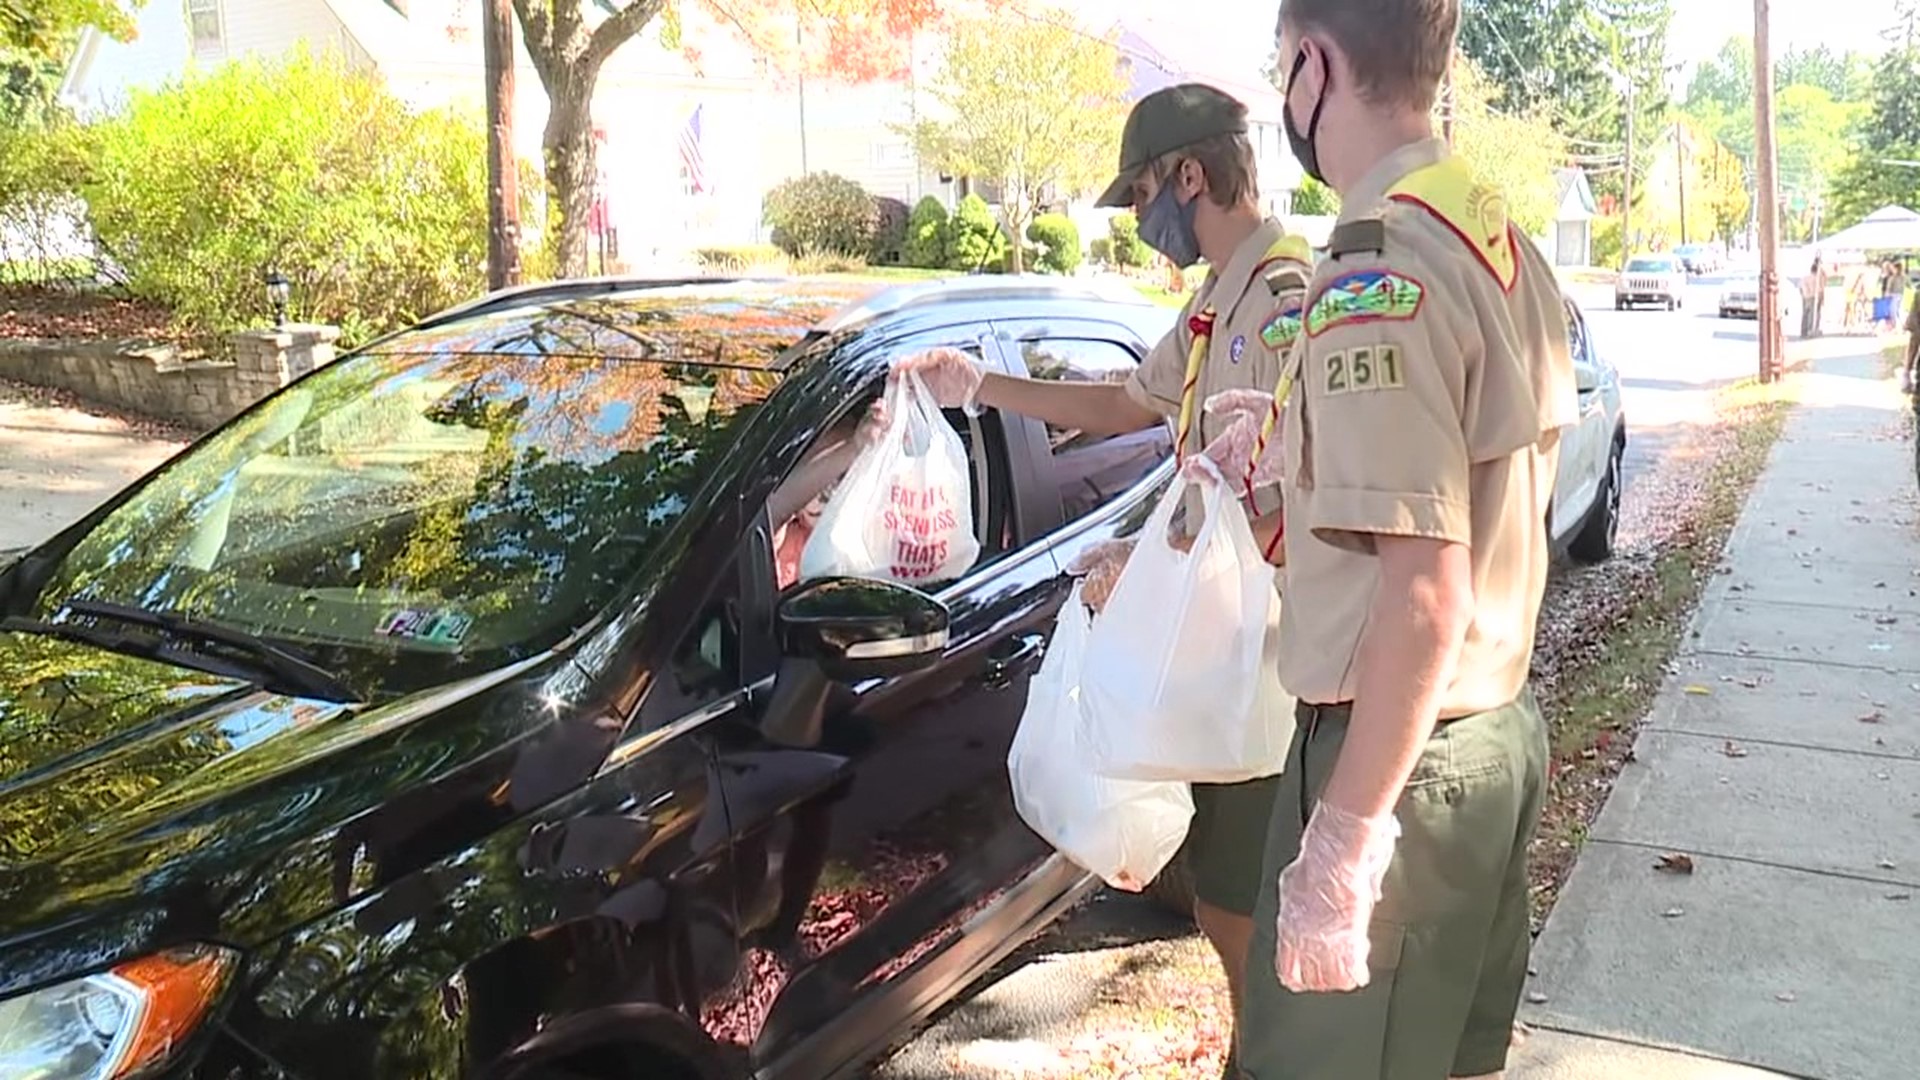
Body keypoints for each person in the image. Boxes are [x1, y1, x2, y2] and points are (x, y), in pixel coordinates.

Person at [891, 82, 1315, 1071]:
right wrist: (978, 387)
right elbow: (1129, 403)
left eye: (1141, 196)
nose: (1139, 220)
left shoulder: (1286, 294)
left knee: (1246, 909)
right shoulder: (1217, 295)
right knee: (1220, 898)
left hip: (1264, 659)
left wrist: (1158, 561)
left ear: (1189, 175)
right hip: (1211, 654)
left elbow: (1292, 490)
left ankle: (1267, 1062)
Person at [1211, 2, 1575, 1076]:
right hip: (1486, 732)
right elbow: (1480, 490)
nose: (1284, 100)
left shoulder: (1378, 269)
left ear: (1315, 67)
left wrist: (1345, 842)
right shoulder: (1492, 233)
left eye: (1281, 72)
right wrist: (1288, 481)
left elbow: (1424, 596)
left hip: (1394, 757)